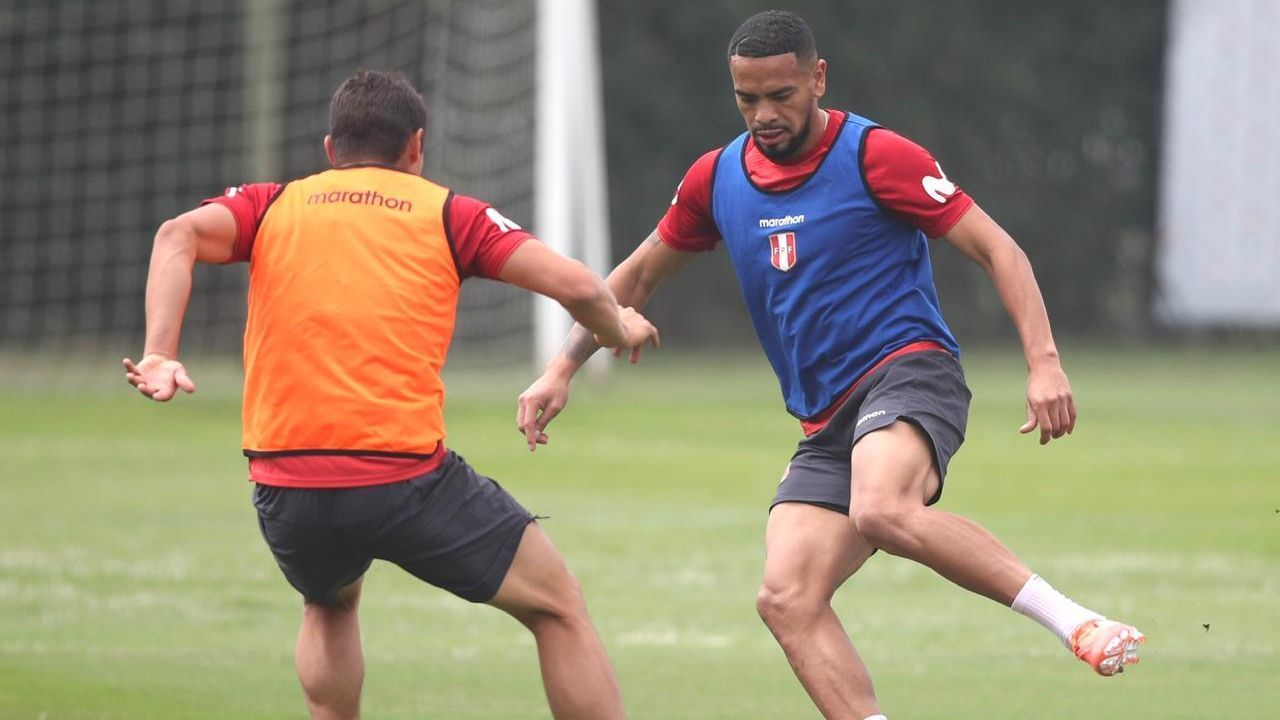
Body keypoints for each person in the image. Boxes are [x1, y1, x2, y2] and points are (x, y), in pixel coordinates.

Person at [518, 10, 1143, 720]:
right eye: (747, 98)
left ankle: (1076, 623)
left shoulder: (876, 156)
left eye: (780, 95)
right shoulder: (716, 178)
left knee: (880, 509)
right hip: (825, 419)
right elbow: (635, 276)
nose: (764, 114)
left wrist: (1044, 363)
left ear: (817, 78)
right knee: (786, 597)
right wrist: (561, 368)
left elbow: (998, 248)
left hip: (909, 370)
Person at [123, 70, 653, 720]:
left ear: (330, 149)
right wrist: (616, 327)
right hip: (405, 478)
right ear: (416, 146)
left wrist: (160, 351)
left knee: (329, 600)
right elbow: (580, 287)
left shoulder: (271, 205)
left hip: (287, 484)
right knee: (557, 605)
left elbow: (175, 234)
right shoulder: (449, 213)